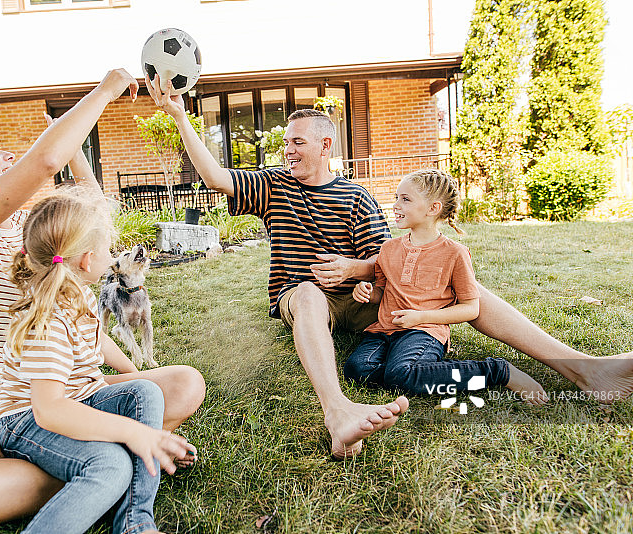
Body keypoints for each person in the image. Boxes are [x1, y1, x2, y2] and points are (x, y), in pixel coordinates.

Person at [145, 75, 633, 460]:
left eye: (297, 142)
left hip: (361, 305)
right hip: (306, 299)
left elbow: (390, 265)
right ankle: (337, 412)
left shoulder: (356, 197)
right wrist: (179, 116)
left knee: (460, 288)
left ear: (325, 145)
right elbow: (213, 176)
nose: (288, 150)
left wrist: (354, 271)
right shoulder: (272, 185)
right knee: (310, 293)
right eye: (287, 143)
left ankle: (583, 369)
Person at [0, 69, 206, 532]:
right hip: (6, 404)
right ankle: (108, 460)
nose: (8, 155)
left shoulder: (20, 228)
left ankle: (92, 464)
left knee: (182, 383)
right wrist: (108, 89)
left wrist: (135, 385)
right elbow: (47, 158)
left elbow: (87, 223)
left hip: (75, 390)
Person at [0, 186, 194, 534]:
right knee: (111, 466)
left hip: (81, 396)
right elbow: (50, 410)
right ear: (88, 259)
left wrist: (137, 377)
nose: (112, 255)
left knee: (144, 391)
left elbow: (98, 339)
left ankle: (135, 522)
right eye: (107, 249)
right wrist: (135, 432)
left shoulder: (80, 292)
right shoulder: (49, 320)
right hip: (28, 420)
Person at [344, 169, 547, 405]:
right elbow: (382, 292)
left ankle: (497, 371)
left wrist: (419, 318)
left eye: (406, 199)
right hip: (383, 331)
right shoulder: (388, 249)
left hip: (424, 331)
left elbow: (470, 309)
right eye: (397, 197)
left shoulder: (454, 253)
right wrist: (368, 294)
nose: (396, 204)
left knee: (402, 374)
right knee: (357, 371)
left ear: (433, 208)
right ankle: (409, 372)